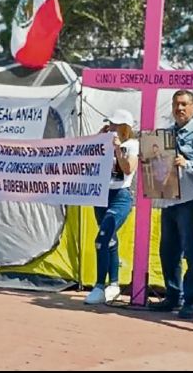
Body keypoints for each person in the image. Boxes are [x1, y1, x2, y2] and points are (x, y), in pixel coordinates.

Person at [148, 90, 193, 319]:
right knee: (168, 252)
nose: (180, 109)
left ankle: (192, 301)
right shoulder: (165, 134)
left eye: (185, 105)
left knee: (192, 252)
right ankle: (172, 296)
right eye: (177, 104)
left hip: (191, 199)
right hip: (169, 200)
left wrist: (187, 163)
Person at [84, 109, 139, 304]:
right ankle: (113, 284)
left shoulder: (132, 145)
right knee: (110, 240)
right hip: (101, 194)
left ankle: (99, 285)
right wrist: (99, 138)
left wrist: (117, 149)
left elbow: (128, 169)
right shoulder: (104, 140)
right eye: (110, 124)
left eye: (116, 125)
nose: (112, 128)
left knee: (102, 237)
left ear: (124, 128)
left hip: (120, 195)